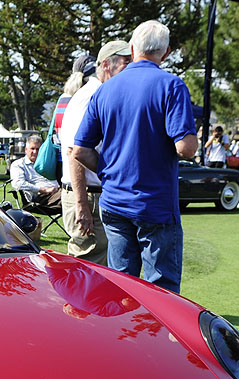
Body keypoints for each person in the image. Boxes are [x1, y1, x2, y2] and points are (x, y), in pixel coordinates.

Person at [72, 20, 197, 294]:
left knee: (120, 290)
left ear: (132, 48)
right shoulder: (171, 86)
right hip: (155, 205)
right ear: (165, 53)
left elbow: (80, 150)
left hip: (114, 202)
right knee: (160, 296)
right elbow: (186, 148)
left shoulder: (105, 90)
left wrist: (107, 171)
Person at [61, 39, 131, 264]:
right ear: (106, 65)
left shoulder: (96, 94)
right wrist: (82, 205)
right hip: (87, 195)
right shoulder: (90, 96)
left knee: (96, 269)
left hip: (90, 194)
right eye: (125, 63)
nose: (131, 69)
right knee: (88, 269)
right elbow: (75, 152)